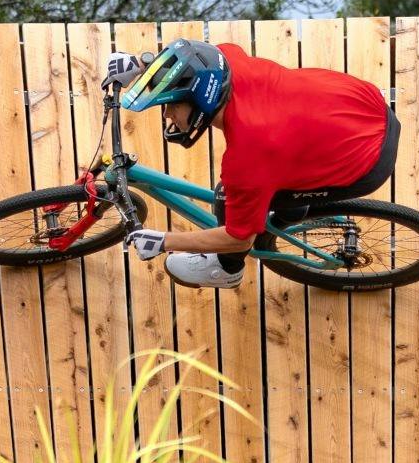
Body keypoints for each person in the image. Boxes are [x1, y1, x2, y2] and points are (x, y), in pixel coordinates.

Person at [103, 39, 399, 290]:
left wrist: (165, 241)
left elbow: (237, 237)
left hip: (366, 160)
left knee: (227, 197)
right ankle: (287, 208)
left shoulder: (248, 154)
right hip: (364, 104)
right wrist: (142, 68)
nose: (167, 114)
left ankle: (227, 271)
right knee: (265, 182)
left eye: (172, 105)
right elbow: (188, 66)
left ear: (201, 102)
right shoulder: (224, 60)